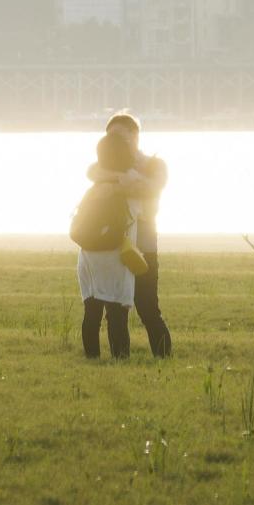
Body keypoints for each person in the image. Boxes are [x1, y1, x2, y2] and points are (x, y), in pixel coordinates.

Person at [87, 112, 172, 358]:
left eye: (119, 136)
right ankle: (120, 359)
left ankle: (164, 357)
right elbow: (92, 172)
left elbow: (150, 188)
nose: (113, 141)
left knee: (147, 307)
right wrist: (121, 178)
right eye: (109, 137)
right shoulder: (106, 165)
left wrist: (117, 181)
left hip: (144, 245)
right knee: (115, 308)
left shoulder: (155, 164)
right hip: (114, 246)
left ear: (134, 136)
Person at [76, 133, 143, 359]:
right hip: (116, 255)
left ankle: (92, 357)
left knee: (91, 312)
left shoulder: (95, 185)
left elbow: (91, 170)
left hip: (89, 255)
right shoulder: (130, 180)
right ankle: (120, 357)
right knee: (117, 312)